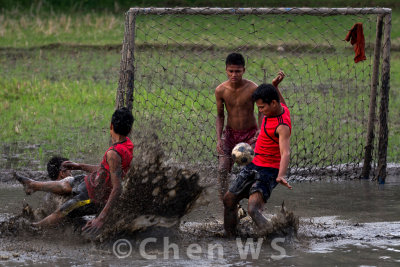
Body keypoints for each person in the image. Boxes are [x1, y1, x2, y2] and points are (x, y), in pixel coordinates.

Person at [16, 107, 134, 235]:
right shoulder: (128, 145)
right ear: (130, 129)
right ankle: (33, 185)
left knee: (61, 212)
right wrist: (79, 166)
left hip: (90, 197)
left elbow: (117, 188)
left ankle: (32, 228)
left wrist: (100, 219)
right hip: (89, 181)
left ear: (111, 126)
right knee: (68, 182)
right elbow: (106, 170)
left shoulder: (113, 154)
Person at [223, 72, 292, 237]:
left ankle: (279, 237)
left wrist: (281, 175)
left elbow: (285, 152)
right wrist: (275, 86)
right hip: (254, 164)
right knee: (229, 200)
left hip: (268, 171)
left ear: (273, 103)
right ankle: (230, 238)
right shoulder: (281, 109)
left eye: (262, 108)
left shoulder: (282, 126)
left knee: (253, 209)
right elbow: (280, 101)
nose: (260, 111)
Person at [215, 52, 284, 200]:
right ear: (226, 70)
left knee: (254, 169)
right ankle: (228, 206)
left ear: (244, 70)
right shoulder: (220, 90)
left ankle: (253, 201)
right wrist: (219, 138)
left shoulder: (252, 88)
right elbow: (220, 115)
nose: (234, 75)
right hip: (230, 135)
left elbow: (261, 111)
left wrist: (260, 130)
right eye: (231, 71)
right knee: (222, 170)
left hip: (250, 135)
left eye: (238, 71)